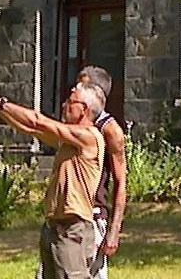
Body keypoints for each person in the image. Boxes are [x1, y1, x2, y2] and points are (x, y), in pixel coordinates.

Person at [0, 85, 106, 279]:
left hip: (73, 229)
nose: (64, 105)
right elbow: (29, 126)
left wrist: (0, 102)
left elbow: (38, 121)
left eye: (70, 102)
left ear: (84, 109)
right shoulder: (67, 140)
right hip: (55, 227)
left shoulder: (89, 136)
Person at [76, 65, 126, 277]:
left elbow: (120, 181)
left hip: (93, 216)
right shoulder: (74, 122)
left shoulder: (109, 129)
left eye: (82, 84)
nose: (76, 89)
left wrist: (113, 232)